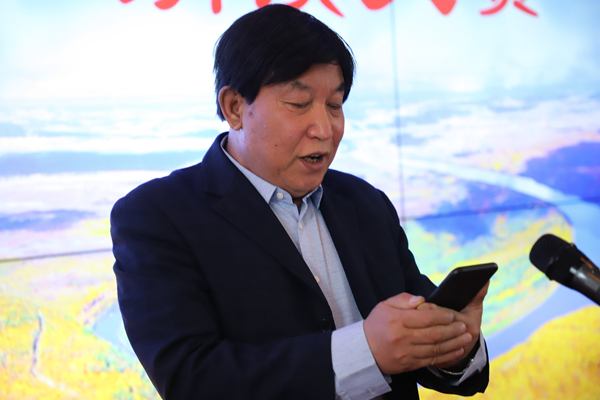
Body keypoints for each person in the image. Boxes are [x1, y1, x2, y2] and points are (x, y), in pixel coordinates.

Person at [111, 4, 490, 400]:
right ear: (235, 107)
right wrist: (365, 351)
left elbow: (416, 340)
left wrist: (455, 343)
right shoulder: (157, 216)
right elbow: (192, 380)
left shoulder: (365, 202)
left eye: (335, 105)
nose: (324, 129)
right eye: (298, 103)